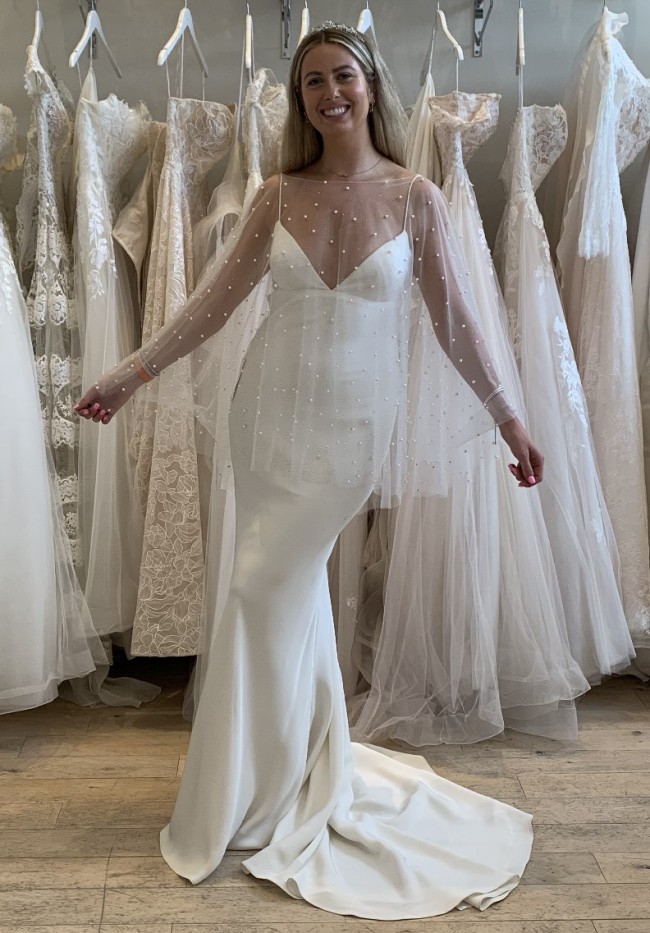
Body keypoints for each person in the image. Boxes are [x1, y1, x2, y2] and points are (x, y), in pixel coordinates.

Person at [76, 21, 539, 922]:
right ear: (301, 101)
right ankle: (287, 770)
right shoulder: (277, 194)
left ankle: (256, 789)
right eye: (313, 82)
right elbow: (211, 307)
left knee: (260, 591)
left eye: (343, 77)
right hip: (267, 423)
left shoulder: (415, 198)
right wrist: (129, 375)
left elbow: (456, 323)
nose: (330, 94)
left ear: (371, 86)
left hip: (350, 433)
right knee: (273, 598)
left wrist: (509, 417)